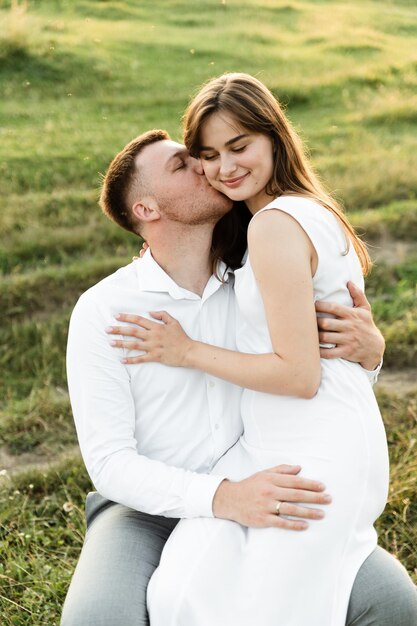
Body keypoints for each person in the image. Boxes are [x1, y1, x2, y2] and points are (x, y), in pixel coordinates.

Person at [61, 130, 416, 626]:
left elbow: (308, 380)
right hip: (147, 513)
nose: (207, 168)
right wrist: (224, 497)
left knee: (395, 604)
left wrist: (369, 354)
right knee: (98, 621)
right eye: (184, 165)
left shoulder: (254, 281)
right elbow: (110, 463)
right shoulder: (104, 310)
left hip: (264, 479)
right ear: (147, 210)